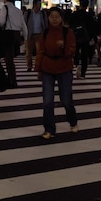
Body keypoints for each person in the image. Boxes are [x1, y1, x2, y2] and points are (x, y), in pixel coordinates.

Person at [36, 7, 78, 139]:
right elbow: (40, 51)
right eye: (52, 17)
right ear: (48, 19)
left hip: (64, 68)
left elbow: (72, 51)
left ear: (61, 18)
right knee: (47, 101)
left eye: (57, 17)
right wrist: (38, 69)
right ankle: (49, 129)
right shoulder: (46, 32)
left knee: (66, 100)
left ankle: (73, 121)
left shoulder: (67, 32)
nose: (54, 19)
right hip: (48, 68)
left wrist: (63, 47)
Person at [0, 0, 27, 88]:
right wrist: (25, 38)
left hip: (7, 34)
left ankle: (11, 81)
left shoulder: (4, 8)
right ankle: (10, 79)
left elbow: (1, 22)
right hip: (17, 35)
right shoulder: (18, 10)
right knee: (9, 59)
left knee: (8, 60)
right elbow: (23, 25)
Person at [69, 0, 96, 79]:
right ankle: (83, 72)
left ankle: (77, 65)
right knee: (85, 55)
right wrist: (93, 38)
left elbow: (71, 25)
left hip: (76, 36)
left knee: (76, 52)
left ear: (80, 5)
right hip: (86, 37)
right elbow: (92, 28)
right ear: (87, 6)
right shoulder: (89, 16)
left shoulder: (75, 14)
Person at [23, 0, 48, 72]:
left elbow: (45, 24)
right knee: (28, 52)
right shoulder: (28, 13)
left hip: (39, 34)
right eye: (38, 4)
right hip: (29, 35)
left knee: (39, 51)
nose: (40, 6)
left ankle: (39, 66)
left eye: (40, 4)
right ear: (34, 5)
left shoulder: (42, 13)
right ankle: (29, 66)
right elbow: (24, 23)